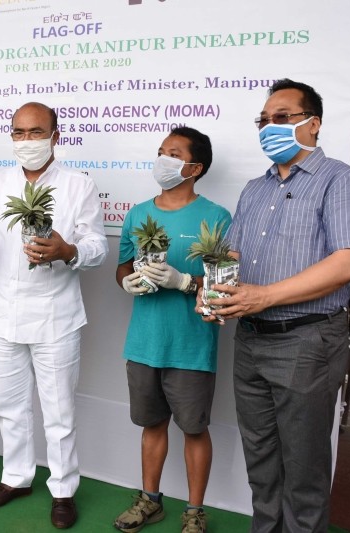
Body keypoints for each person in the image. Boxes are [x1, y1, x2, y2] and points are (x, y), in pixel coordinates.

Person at [200, 79, 350, 532]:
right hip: (252, 340)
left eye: (281, 118)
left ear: (312, 124)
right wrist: (212, 287)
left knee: (304, 468)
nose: (268, 128)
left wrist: (265, 296)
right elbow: (233, 256)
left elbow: (349, 262)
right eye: (263, 121)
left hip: (307, 340)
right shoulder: (254, 190)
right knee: (260, 460)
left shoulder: (342, 180)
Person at [0, 102, 108, 529]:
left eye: (36, 131)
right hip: (2, 314)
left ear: (56, 133)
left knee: (59, 410)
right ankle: (15, 477)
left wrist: (67, 250)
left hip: (56, 317)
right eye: (18, 132)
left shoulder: (78, 185)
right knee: (10, 406)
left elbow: (97, 247)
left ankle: (63, 489)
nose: (27, 140)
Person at [114, 128, 231, 533]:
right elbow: (123, 266)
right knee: (152, 426)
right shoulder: (137, 213)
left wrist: (185, 282)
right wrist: (125, 281)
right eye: (161, 151)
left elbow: (224, 285)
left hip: (192, 345)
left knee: (195, 429)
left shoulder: (215, 217)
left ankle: (195, 511)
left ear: (195, 168)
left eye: (174, 153)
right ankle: (150, 500)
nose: (162, 159)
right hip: (144, 342)